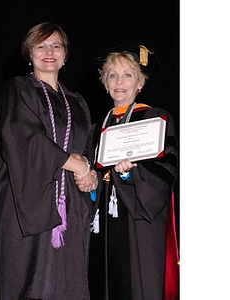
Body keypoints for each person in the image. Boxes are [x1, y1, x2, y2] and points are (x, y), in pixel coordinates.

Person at [0, 22, 97, 300]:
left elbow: (86, 150)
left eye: (56, 46)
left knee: (71, 282)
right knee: (33, 284)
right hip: (28, 205)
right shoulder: (17, 90)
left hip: (71, 211)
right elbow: (22, 137)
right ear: (29, 53)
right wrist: (74, 164)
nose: (49, 51)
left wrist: (90, 174)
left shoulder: (77, 102)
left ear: (66, 55)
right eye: (41, 46)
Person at [76, 43, 179, 300]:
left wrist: (129, 175)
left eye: (128, 75)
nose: (119, 81)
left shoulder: (155, 120)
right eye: (112, 75)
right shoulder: (95, 130)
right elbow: (92, 179)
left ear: (140, 83)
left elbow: (166, 172)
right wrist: (88, 186)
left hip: (139, 226)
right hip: (103, 228)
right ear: (105, 83)